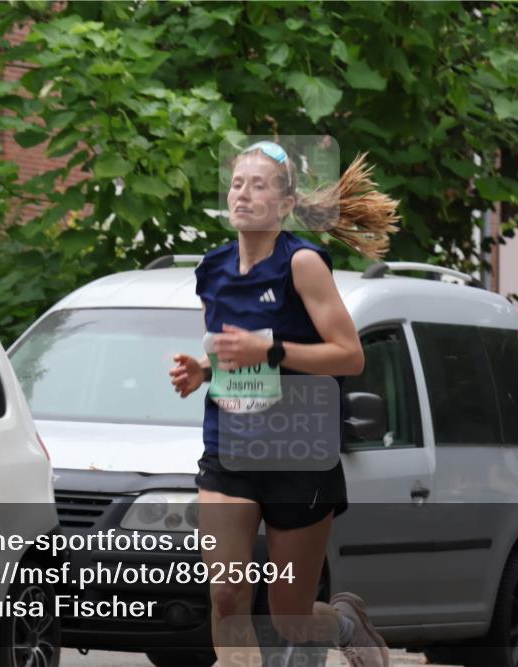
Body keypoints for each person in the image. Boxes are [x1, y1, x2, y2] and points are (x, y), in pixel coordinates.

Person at [169, 140, 400, 667]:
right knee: (227, 597)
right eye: (236, 183)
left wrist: (270, 348)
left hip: (300, 451)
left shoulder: (302, 265)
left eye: (258, 185)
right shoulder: (213, 270)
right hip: (230, 448)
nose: (243, 194)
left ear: (285, 204)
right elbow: (234, 355)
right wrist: (203, 370)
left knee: (288, 615)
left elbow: (350, 356)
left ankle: (345, 623)